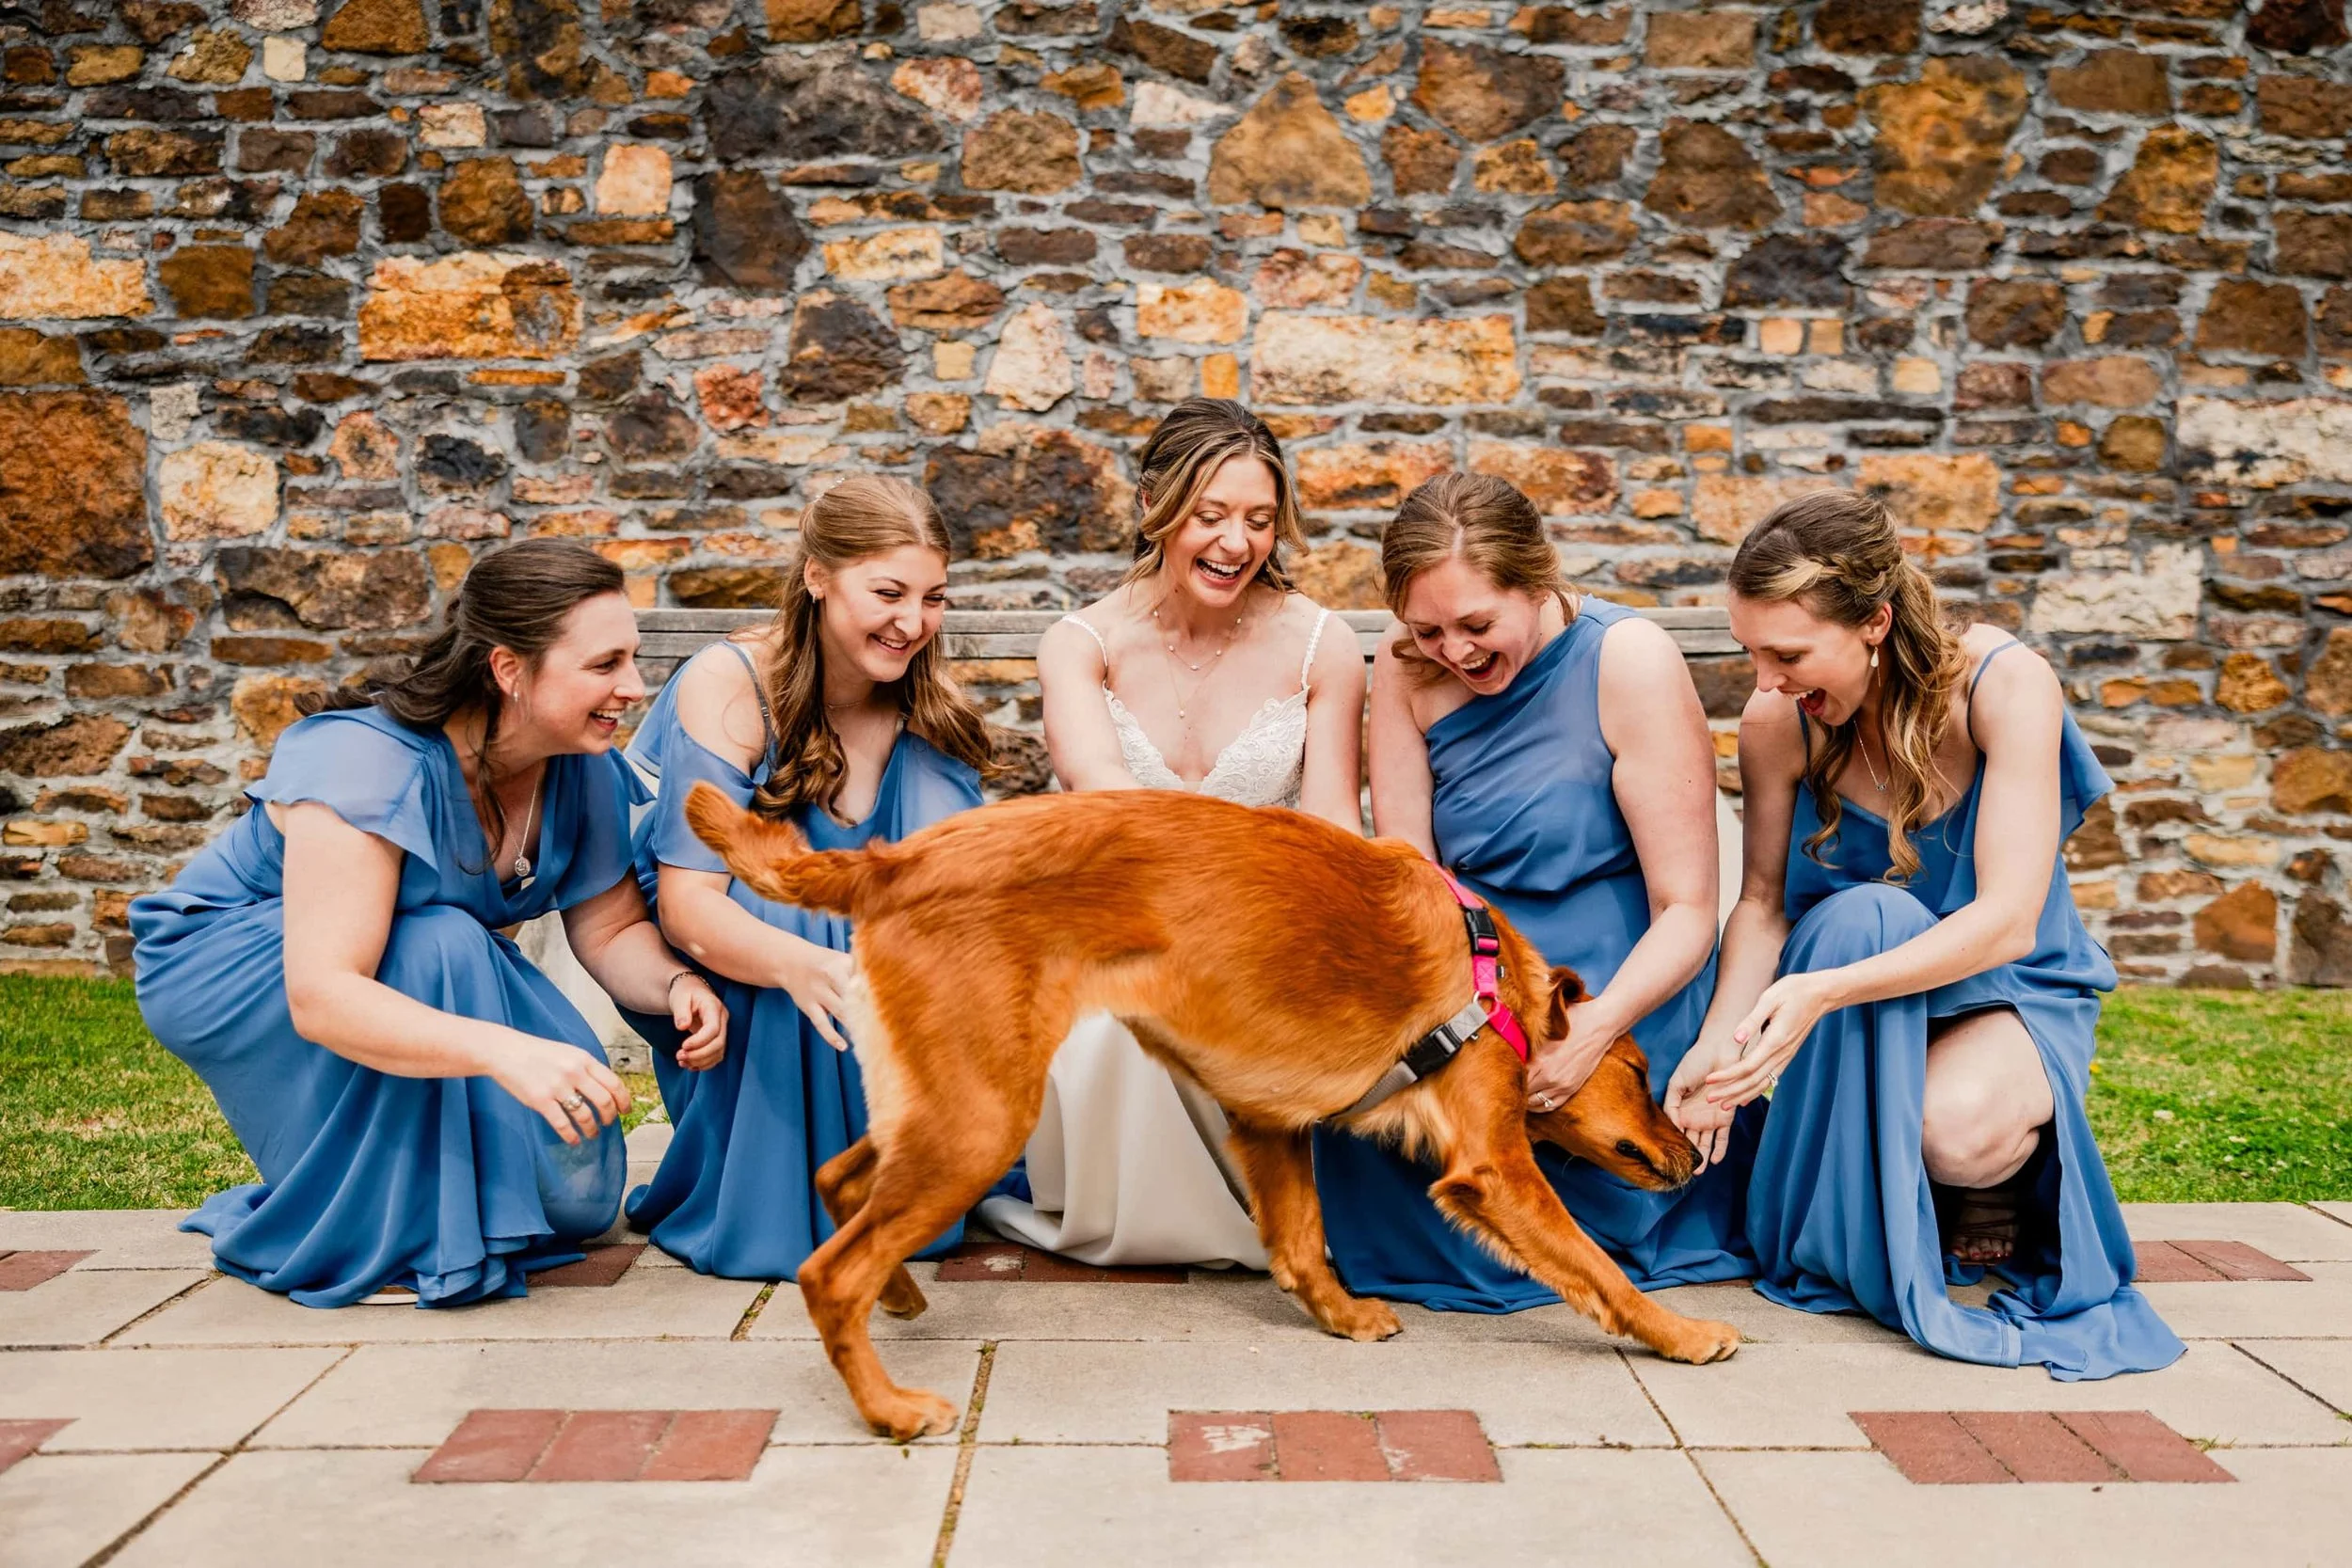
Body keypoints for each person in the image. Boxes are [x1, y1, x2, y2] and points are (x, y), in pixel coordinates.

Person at [131, 539, 725, 1308]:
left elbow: (610, 931)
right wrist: (502, 1051)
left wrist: (680, 982)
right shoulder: (365, 763)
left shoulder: (581, 766)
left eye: (634, 659)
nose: (634, 687)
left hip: (413, 958)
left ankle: (433, 1201)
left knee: (575, 1205)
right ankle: (392, 1227)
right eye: (605, 664)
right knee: (439, 937)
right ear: (509, 670)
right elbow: (322, 993)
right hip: (235, 959)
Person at [1669, 490, 2182, 1379]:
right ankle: (1887, 1214)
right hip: (1853, 999)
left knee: (1957, 1132)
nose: (1765, 682)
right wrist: (1719, 1051)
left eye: (1786, 654)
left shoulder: (2002, 684)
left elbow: (2009, 918)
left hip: (2004, 985)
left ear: (1875, 621)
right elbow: (1761, 904)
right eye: (1751, 653)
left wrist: (1818, 990)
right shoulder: (1776, 723)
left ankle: (1987, 1190)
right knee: (1868, 912)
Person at [1311, 472, 1754, 1308]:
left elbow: (1690, 909)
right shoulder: (1406, 673)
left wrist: (1591, 1032)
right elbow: (1414, 880)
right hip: (1476, 981)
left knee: (1601, 1120)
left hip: (1618, 988)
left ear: (1539, 579)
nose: (1457, 652)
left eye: (1478, 624)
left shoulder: (1629, 661)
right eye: (1428, 629)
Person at [977, 399, 1364, 1268]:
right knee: (1124, 999)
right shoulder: (1082, 642)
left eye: (1260, 520)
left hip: (1269, 925)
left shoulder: (1322, 647)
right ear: (1155, 503)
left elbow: (1335, 823)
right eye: (1210, 514)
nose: (1237, 542)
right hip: (1117, 914)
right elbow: (1105, 800)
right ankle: (1141, 1209)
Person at [623, 475, 994, 1279]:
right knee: (802, 904)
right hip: (736, 951)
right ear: (818, 576)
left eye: (933, 598)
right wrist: (810, 961)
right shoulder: (731, 685)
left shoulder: (924, 708)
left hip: (882, 967)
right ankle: (773, 1190)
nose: (912, 623)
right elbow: (688, 902)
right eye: (888, 592)